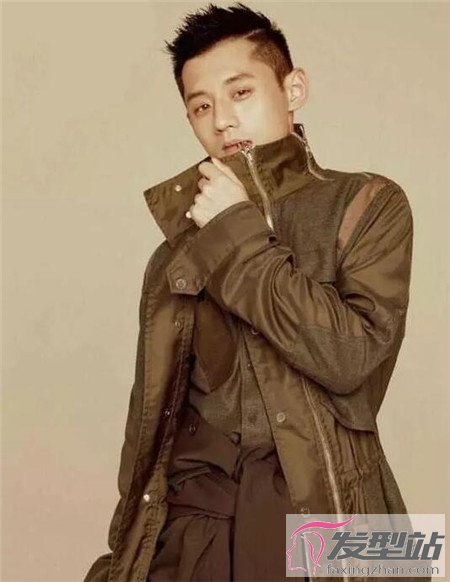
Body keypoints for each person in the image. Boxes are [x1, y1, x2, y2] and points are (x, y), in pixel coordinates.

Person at [84, 3, 424, 581]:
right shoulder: (171, 254)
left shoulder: (369, 203)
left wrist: (235, 231)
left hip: (336, 520)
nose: (222, 121)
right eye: (201, 106)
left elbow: (351, 360)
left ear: (293, 89)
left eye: (240, 93)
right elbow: (148, 431)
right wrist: (125, 556)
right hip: (196, 532)